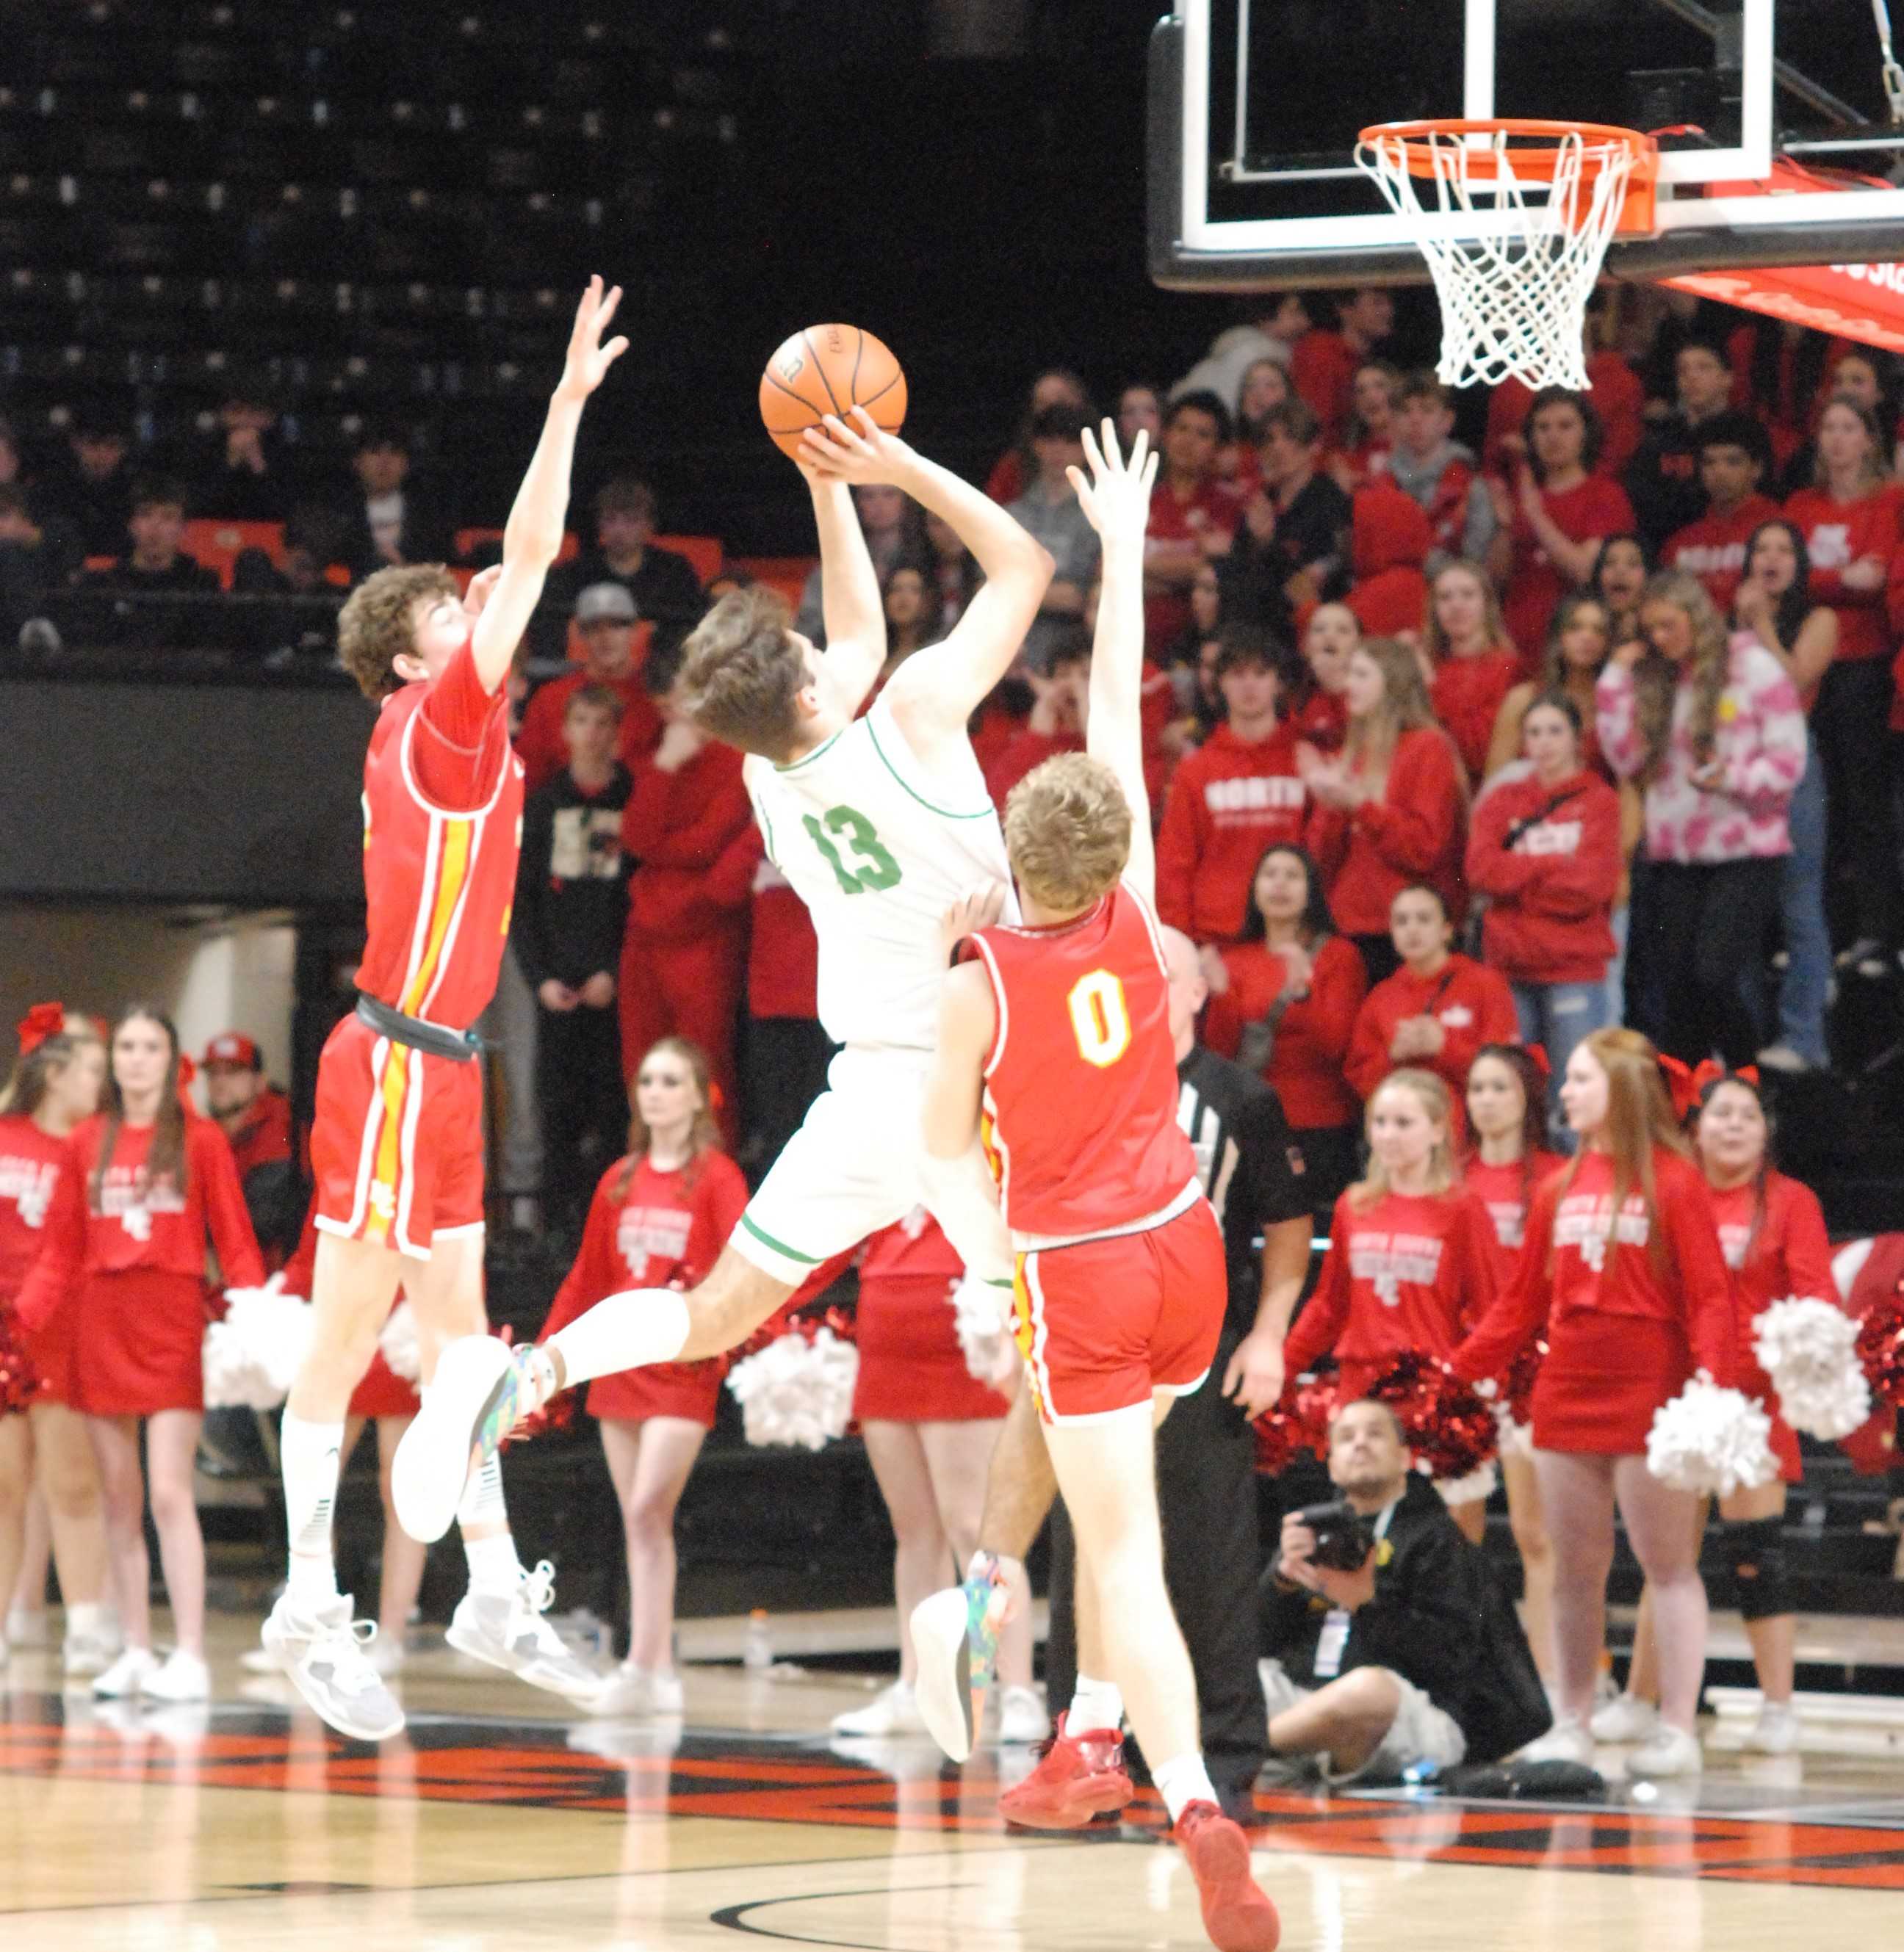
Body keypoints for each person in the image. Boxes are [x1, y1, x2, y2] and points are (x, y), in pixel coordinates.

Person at [394, 401, 1057, 1579]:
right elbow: (1026, 561)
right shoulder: (908, 713)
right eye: (805, 653)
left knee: (708, 1313)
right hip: (984, 1083)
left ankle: (533, 1370)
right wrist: (894, 461)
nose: (820, 644)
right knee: (1065, 1340)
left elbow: (843, 631)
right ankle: (995, 1592)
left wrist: (822, 477)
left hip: (866, 1093)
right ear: (807, 690)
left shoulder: (768, 779)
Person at [911, 424, 1281, 1949]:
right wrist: (1122, 545)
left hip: (1079, 1260)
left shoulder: (976, 976)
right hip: (1187, 1244)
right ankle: (1078, 1733)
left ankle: (1190, 1798)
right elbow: (1118, 692)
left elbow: (942, 1150)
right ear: (1116, 847)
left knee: (1118, 1547)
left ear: (1013, 846)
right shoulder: (1139, 913)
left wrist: (1000, 1264)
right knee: (1091, 1472)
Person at [259, 277, 629, 1741]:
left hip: (450, 1068)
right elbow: (532, 551)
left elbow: (507, 576)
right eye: (445, 606)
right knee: (347, 1341)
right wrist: (566, 403)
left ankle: (486, 1591)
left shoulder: (454, 724)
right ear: (413, 656)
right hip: (397, 1065)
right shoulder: (445, 719)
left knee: (465, 1348)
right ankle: (303, 1603)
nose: (470, 605)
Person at [1040, 924, 1315, 1823]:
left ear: (1200, 991)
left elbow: (1285, 1226)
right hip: (1094, 1347)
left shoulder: (1242, 1099)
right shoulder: (1082, 1085)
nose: (1149, 985)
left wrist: (1268, 1335)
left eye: (1168, 974)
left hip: (1200, 1353)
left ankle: (1223, 1773)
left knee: (1209, 1562)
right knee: (1088, 1554)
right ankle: (1085, 1767)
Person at [1454, 1027, 1739, 1777]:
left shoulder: (1677, 1182)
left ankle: (1676, 1728)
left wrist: (1714, 1381)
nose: (1568, 1093)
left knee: (1668, 1566)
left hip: (1654, 1397)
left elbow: (1711, 1297)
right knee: (1575, 1571)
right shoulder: (1557, 1187)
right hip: (1565, 1397)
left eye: (1581, 1079)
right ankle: (1571, 1720)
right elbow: (1517, 1308)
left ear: (1621, 1087)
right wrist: (1449, 1378)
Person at [13, 1006, 264, 1702]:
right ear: (114, 1060)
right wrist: (16, 1324)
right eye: (124, 1047)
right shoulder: (86, 1140)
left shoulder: (202, 1140)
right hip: (102, 1323)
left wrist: (257, 1316)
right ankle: (132, 1650)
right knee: (118, 1499)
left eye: (149, 1046)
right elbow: (60, 1252)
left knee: (167, 1491)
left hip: (172, 1321)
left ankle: (189, 1653)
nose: (134, 1058)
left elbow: (237, 1241)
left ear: (169, 1058)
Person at [1598, 1067, 1833, 1757]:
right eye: (1721, 1113)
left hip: (1752, 1407)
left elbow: (1816, 1299)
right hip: (1676, 1396)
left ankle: (1779, 1709)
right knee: (1664, 1557)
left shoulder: (1791, 1203)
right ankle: (1644, 1701)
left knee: (1758, 1553)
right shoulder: (1670, 1194)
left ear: (1767, 1135)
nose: (1733, 1125)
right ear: (1693, 1127)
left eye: (1748, 1116)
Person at [535, 1038, 745, 1718]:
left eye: (670, 1080)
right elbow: (589, 1279)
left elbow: (740, 1275)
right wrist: (547, 1357)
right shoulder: (619, 1180)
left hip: (684, 1368)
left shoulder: (717, 1179)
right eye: (647, 1080)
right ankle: (649, 1667)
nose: (655, 1091)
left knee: (650, 1508)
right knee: (637, 1522)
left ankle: (649, 1664)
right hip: (619, 1370)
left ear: (696, 1094)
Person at [829, 1211, 1046, 1748]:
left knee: (976, 1528)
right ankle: (918, 1687)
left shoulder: (979, 1149)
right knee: (915, 1534)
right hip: (885, 1349)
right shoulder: (883, 1155)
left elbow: (1017, 1239)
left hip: (961, 1352)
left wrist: (1005, 1335)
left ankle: (1013, 1688)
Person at [1597, 571, 1806, 1066]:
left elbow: (1789, 762)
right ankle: (1689, 1103)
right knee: (1677, 989)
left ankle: (1749, 1078)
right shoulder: (1657, 674)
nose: (1662, 640)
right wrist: (1613, 678)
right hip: (1675, 852)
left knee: (1713, 972)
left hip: (1745, 849)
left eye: (1670, 626)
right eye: (1652, 632)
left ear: (1696, 615)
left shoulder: (1752, 667)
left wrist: (1728, 777)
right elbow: (1627, 760)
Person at [1261, 1400, 1526, 1782]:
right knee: (1219, 1671)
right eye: (1347, 1437)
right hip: (1304, 1696)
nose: (1361, 1444)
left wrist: (1367, 1605)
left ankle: (1245, 1748)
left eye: (1375, 1434)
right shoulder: (1310, 1533)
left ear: (1404, 1458)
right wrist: (1280, 1582)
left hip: (1408, 1714)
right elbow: (1255, 1641)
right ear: (1332, 1464)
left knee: (1369, 1690)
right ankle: (1282, 1746)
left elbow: (1450, 1661)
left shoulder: (1440, 1538)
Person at [0, 1008, 113, 1680]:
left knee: (73, 1484)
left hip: (66, 1328)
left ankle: (88, 1629)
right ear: (56, 1072)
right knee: (6, 1485)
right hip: (1, 1328)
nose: (103, 1083)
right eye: (94, 1070)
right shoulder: (5, 1135)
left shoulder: (94, 1148)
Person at [273, 1204, 425, 1677]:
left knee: (400, 1489)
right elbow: (309, 1253)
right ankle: (309, 1622)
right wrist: (272, 1307)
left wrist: (435, 1332)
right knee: (315, 1480)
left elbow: (453, 1257)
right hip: (341, 1336)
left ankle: (392, 1636)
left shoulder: (425, 1163)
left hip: (403, 1335)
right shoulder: (341, 1165)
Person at [1783, 394, 1903, 975]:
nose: (1836, 439)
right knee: (1815, 803)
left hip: (1865, 663)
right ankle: (1819, 933)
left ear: (1869, 439)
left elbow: (1875, 577)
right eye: (1827, 427)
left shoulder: (1889, 500)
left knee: (1864, 802)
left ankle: (1878, 933)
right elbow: (1790, 577)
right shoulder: (1801, 504)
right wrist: (1837, 579)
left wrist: (1816, 581)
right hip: (1811, 664)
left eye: (1848, 428)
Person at [615, 654, 756, 1141]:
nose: (669, 711)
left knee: (705, 1065)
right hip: (646, 932)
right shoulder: (662, 752)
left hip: (705, 931)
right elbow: (635, 838)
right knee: (640, 1062)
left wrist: (663, 847)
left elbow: (708, 841)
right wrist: (664, 768)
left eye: (677, 699)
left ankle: (710, 1180)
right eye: (663, 702)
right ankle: (645, 1174)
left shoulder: (738, 758)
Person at [514, 682, 635, 1234]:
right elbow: (523, 902)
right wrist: (539, 979)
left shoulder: (633, 798)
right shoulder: (543, 805)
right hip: (557, 990)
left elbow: (638, 895)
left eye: (603, 722)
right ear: (565, 731)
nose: (592, 734)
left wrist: (614, 969)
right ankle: (557, 1233)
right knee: (557, 1112)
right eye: (582, 721)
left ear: (617, 732)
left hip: (617, 986)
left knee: (616, 1109)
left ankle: (615, 1225)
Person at [1465, 693, 1621, 1110]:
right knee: (1517, 1097)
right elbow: (1480, 871)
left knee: (1574, 1100)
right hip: (1510, 966)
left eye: (1555, 731)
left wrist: (1516, 878)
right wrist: (1553, 865)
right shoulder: (1502, 800)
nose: (1544, 742)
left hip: (1573, 968)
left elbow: (1592, 887)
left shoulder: (1600, 801)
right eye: (1534, 732)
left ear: (1577, 739)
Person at [1460, 1044, 1562, 1677]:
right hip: (1469, 1369)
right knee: (1459, 1534)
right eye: (1476, 1088)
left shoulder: (1559, 1175)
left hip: (1536, 1370)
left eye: (1500, 1087)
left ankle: (1551, 1677)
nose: (1487, 1100)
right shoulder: (1452, 1177)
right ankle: (1466, 1670)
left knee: (1536, 1533)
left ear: (1527, 1096)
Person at [1200, 842, 1368, 1217]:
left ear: (1311, 892)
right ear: (1255, 889)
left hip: (1318, 1124)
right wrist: (1222, 995)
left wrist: (1303, 994)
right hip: (1250, 1121)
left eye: (1292, 876)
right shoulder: (1235, 959)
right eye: (1270, 874)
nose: (1280, 885)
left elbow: (1337, 1047)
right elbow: (1222, 1053)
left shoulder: (1338, 956)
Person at [1732, 520, 1838, 1071]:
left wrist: (1761, 625)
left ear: (1799, 563)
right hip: (1739, 767)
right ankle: (1749, 1038)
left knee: (1798, 903)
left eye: (1782, 549)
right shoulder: (1732, 622)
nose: (1771, 557)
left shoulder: (1820, 618)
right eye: (1761, 548)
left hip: (1791, 766)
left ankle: (1805, 1037)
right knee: (1742, 906)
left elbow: (1793, 680)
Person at [1301, 637, 1465, 983]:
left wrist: (1360, 806)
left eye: (1361, 675)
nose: (1349, 685)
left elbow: (1424, 848)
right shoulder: (1353, 753)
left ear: (1393, 682)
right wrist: (1332, 807)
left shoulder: (1427, 746)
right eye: (1349, 675)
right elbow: (1320, 861)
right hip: (1349, 926)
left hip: (1407, 930)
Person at [1155, 630, 1306, 944]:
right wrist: (1181, 941)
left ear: (1279, 684)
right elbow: (1176, 862)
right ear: (1220, 684)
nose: (1249, 685)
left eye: (1261, 674)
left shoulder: (1305, 760)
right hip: (1217, 935)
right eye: (1237, 674)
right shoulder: (1195, 770)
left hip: (1295, 932)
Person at [1345, 885, 1517, 1132]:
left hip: (1474, 1133)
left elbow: (1507, 1069)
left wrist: (1443, 1048)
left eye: (1424, 919)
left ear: (1446, 930)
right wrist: (1393, 1057)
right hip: (1404, 1137)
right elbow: (1360, 1081)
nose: (1412, 929)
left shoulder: (1484, 984)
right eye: (1402, 921)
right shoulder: (1381, 997)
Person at [1490, 389, 1636, 665]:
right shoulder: (1526, 497)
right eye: (1542, 428)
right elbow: (1497, 578)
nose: (1553, 436)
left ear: (1585, 434)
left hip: (1576, 646)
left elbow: (1586, 572)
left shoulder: (1605, 494)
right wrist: (1505, 525)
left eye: (1565, 426)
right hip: (1517, 642)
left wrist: (1536, 516)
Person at [514, 580, 664, 795]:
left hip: (639, 811)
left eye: (616, 625)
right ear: (581, 634)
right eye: (594, 627)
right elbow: (527, 777)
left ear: (635, 630)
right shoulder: (551, 698)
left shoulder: (657, 699)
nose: (606, 637)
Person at [1223, 400, 1350, 640]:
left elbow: (1304, 585)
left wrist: (1267, 544)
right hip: (1254, 625)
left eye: (1290, 437)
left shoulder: (1332, 503)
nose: (1277, 448)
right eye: (1269, 440)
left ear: (1313, 446)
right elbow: (1237, 569)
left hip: (1309, 628)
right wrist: (1257, 544)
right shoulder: (1262, 502)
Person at [1143, 391, 1240, 654]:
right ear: (1165, 436)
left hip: (1194, 647)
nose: (1188, 441)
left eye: (1203, 434)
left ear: (1218, 449)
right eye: (1181, 428)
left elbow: (1211, 569)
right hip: (1134, 642)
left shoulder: (1227, 504)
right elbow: (1104, 567)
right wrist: (1179, 573)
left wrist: (1139, 567)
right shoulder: (1141, 498)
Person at [1623, 338, 1740, 552]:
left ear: (1727, 378)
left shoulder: (1747, 434)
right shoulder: (1658, 441)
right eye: (1683, 370)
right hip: (1666, 550)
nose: (1691, 377)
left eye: (1703, 367)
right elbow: (1639, 505)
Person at [1006, 404, 1099, 670]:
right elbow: (984, 587)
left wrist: (1011, 589)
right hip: (1013, 655)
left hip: (1073, 658)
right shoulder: (1013, 513)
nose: (1058, 450)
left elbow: (1079, 597)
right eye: (1049, 439)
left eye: (1069, 441)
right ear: (1036, 445)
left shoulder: (1099, 514)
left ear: (1084, 448)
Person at [1484, 593, 1614, 783]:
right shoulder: (1522, 699)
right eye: (1575, 627)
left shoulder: (1617, 703)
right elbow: (1495, 784)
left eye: (1599, 630)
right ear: (1559, 635)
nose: (1587, 637)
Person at [1659, 412, 1781, 612]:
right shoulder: (1679, 543)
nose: (1719, 472)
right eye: (1709, 463)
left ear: (1757, 469)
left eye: (1733, 462)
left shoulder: (1779, 529)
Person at [1422, 560, 1518, 782]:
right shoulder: (1427, 664)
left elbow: (1479, 751)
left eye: (1467, 595)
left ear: (1486, 603)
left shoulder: (1507, 667)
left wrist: (1430, 687)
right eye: (1445, 597)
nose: (1456, 605)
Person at [1388, 373, 1495, 572]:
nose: (1415, 420)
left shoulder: (1467, 483)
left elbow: (1476, 557)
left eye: (1427, 410)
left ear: (1447, 420)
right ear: (1394, 421)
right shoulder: (1383, 481)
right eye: (1405, 411)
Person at [339, 426, 456, 582]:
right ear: (357, 462)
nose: (384, 462)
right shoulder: (339, 513)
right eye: (375, 452)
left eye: (394, 453)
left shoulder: (430, 514)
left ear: (406, 463)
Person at [1291, 288, 1394, 450]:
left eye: (1388, 302)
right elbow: (1314, 427)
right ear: (1345, 310)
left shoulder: (1365, 360)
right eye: (1377, 302)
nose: (1387, 310)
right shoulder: (1321, 352)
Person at [87, 477, 220, 595]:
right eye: (145, 514)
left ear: (183, 529)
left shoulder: (202, 585)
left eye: (168, 517)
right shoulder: (106, 585)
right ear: (132, 525)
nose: (155, 526)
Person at [984, 368, 1092, 505]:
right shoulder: (1012, 467)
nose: (1052, 409)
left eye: (1060, 400)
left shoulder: (1109, 466)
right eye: (1043, 402)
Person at [1341, 479, 1430, 640]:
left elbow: (1334, 647)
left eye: (1353, 528)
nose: (1343, 537)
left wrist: (1306, 611)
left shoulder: (1384, 593)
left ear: (1371, 532)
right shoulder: (1413, 581)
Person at [1289, 600, 1355, 751]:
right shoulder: (1293, 695)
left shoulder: (1374, 693)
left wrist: (1337, 688)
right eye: (1319, 629)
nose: (1330, 636)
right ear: (1304, 645)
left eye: (1343, 630)